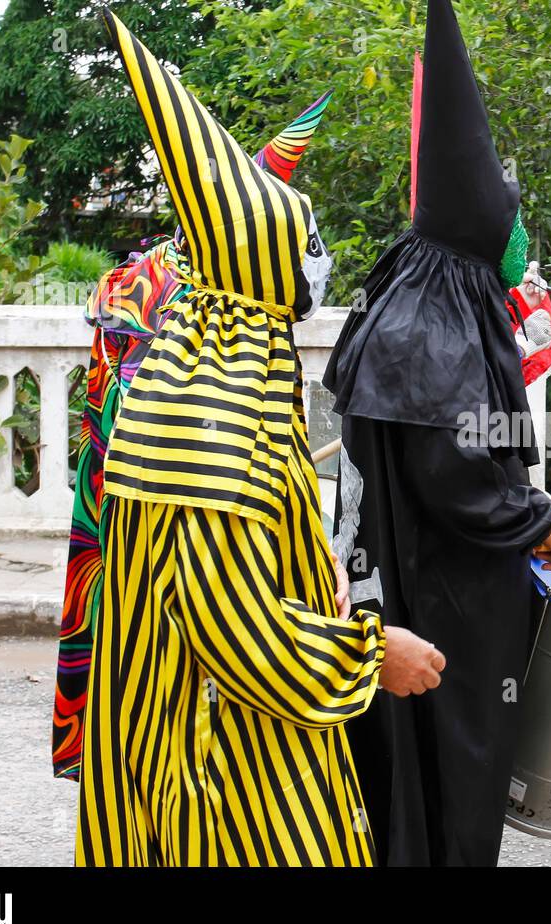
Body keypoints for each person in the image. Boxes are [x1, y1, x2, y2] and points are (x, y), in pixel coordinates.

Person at [75, 8, 443, 866]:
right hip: (220, 770)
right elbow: (229, 629)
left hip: (193, 738)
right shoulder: (212, 411)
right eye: (306, 242)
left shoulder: (213, 365)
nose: (318, 259)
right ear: (264, 257)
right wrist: (367, 655)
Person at [323, 0, 551, 865]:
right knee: (442, 767)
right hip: (437, 602)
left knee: (405, 767)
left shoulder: (421, 298)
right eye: (510, 212)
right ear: (480, 220)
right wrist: (538, 521)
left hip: (400, 587)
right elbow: (460, 472)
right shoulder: (431, 320)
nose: (519, 234)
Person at [52, 91, 332, 781]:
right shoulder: (224, 301)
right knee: (192, 692)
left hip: (118, 498)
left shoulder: (136, 275)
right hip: (180, 502)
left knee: (129, 662)